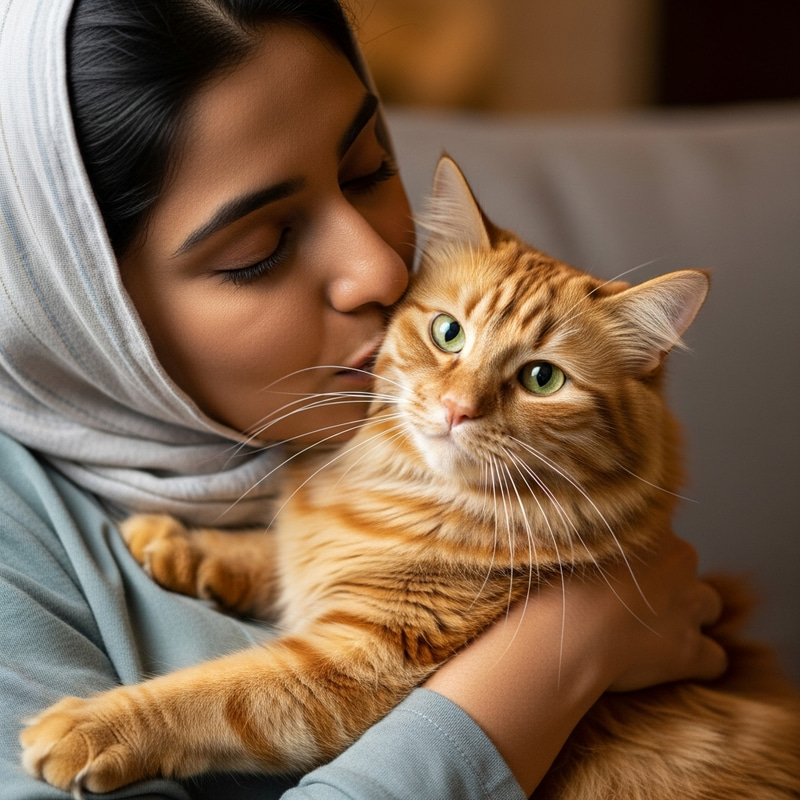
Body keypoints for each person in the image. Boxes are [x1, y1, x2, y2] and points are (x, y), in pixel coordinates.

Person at [0, 1, 727, 797]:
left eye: (368, 171)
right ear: (82, 299)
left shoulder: (353, 425)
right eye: (259, 247)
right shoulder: (19, 534)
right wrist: (561, 651)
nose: (383, 272)